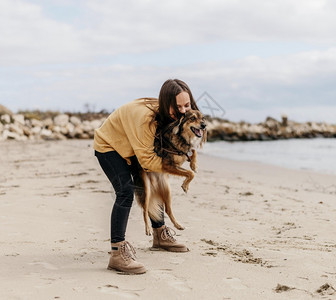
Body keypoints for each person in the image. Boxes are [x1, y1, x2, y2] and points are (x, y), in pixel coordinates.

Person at [93, 79, 200, 274]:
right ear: (166, 102)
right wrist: (179, 168)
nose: (184, 110)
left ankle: (160, 235)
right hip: (109, 146)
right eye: (178, 107)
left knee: (155, 179)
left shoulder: (170, 116)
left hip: (132, 145)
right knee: (125, 192)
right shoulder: (146, 119)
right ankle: (117, 254)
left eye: (187, 105)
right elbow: (148, 161)